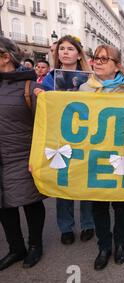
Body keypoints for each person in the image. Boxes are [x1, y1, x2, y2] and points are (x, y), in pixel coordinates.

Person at [35, 35, 94, 245]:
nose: (65, 52)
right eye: (61, 49)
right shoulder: (50, 78)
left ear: (79, 53)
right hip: (60, 137)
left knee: (86, 181)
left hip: (86, 136)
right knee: (64, 182)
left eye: (70, 48)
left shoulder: (92, 79)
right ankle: (66, 226)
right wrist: (40, 95)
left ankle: (88, 223)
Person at [78, 44, 124, 270]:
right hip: (94, 155)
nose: (98, 62)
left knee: (120, 203)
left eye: (104, 59)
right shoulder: (84, 89)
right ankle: (104, 245)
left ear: (116, 66)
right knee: (98, 204)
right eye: (96, 58)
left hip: (120, 156)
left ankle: (120, 242)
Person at [0, 37, 46, 270]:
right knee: (4, 205)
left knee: (30, 202)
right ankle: (16, 248)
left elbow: (44, 124)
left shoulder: (29, 87)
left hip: (23, 155)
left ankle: (35, 246)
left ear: (5, 57)